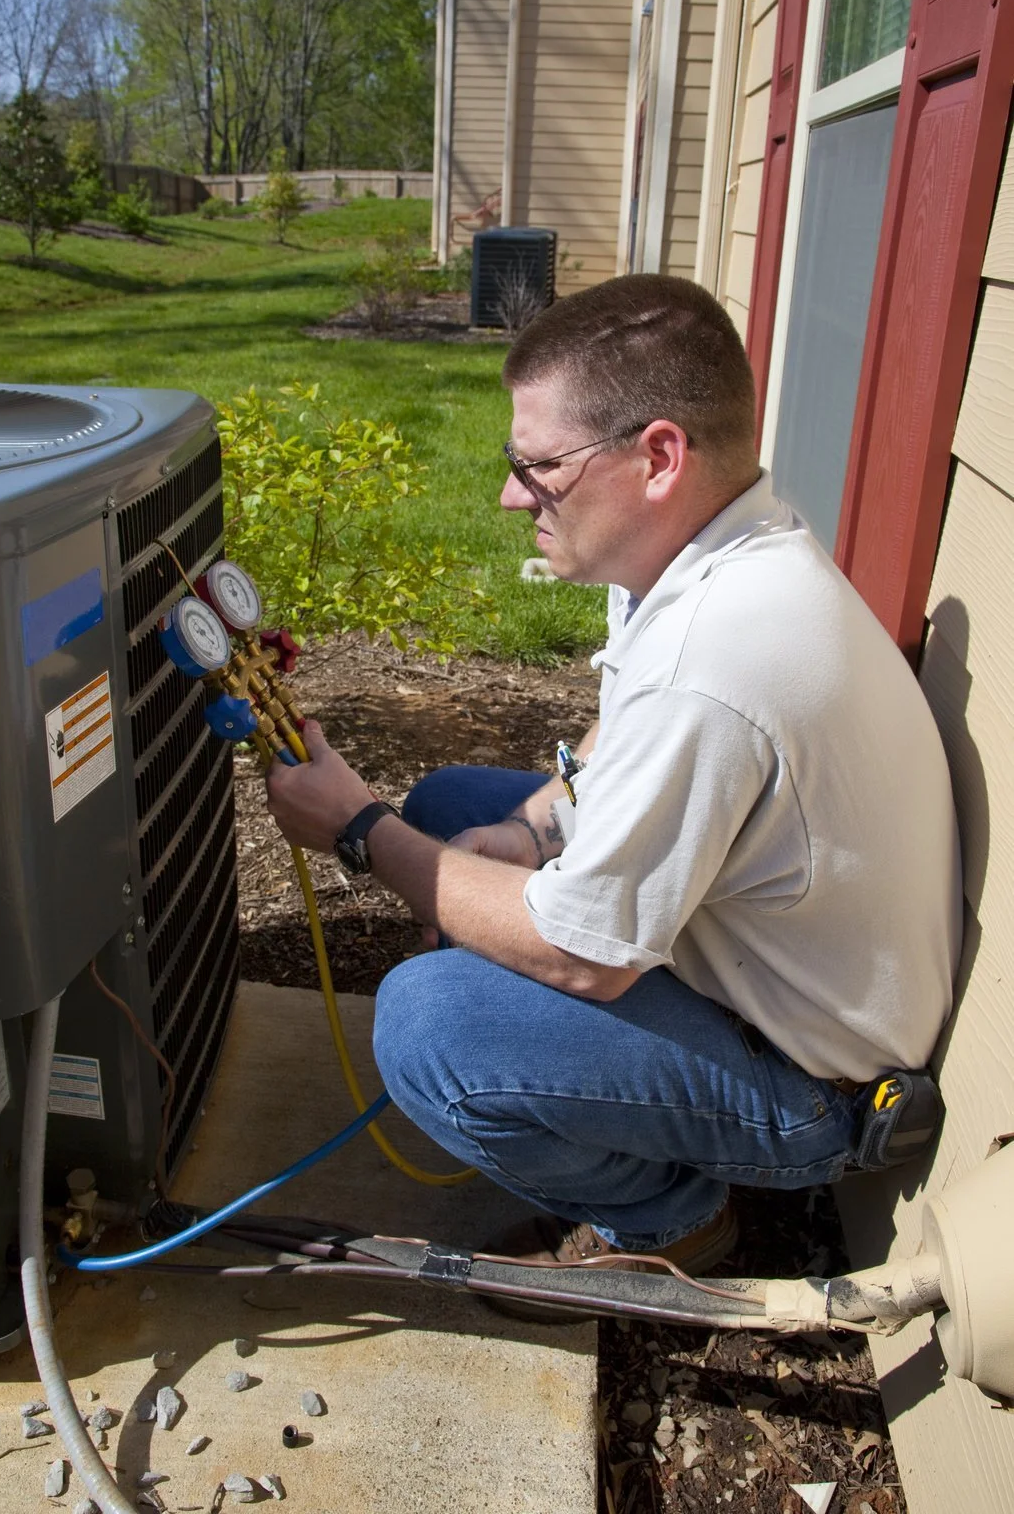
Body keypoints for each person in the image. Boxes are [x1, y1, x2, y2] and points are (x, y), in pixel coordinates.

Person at [265, 273, 962, 1279]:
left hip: (816, 1085)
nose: (511, 494)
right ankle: (619, 1122)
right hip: (752, 967)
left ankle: (671, 1219)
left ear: (658, 457)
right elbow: (614, 731)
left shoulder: (717, 659)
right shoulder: (710, 554)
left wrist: (358, 828)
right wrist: (527, 833)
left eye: (538, 465)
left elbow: (584, 958)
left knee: (427, 1021)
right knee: (459, 807)